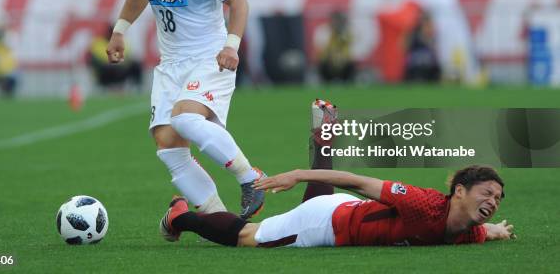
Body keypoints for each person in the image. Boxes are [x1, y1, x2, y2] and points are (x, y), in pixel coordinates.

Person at [106, 0, 265, 219]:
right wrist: (120, 30)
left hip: (210, 58)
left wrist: (231, 46)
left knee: (186, 118)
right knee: (168, 145)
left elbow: (238, 1)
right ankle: (219, 218)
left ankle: (250, 177)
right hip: (172, 64)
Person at [159, 101, 515, 247]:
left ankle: (323, 141)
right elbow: (359, 182)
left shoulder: (468, 230)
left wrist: (496, 230)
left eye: (497, 198)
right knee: (248, 237)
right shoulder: (423, 203)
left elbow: (481, 229)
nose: (492, 201)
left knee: (313, 207)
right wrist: (297, 174)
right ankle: (181, 217)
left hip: (339, 211)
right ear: (459, 192)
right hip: (331, 224)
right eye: (486, 193)